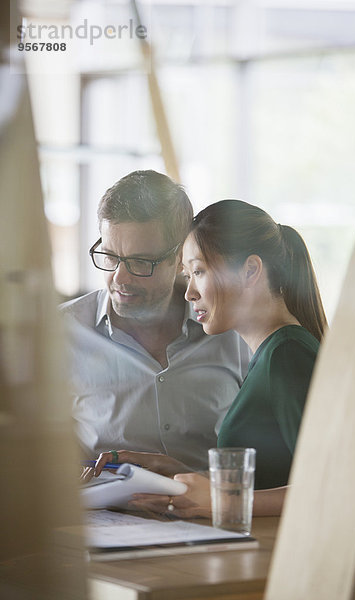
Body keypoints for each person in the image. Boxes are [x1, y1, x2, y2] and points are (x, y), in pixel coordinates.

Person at [93, 199, 327, 517]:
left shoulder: (287, 353)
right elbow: (270, 476)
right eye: (188, 275)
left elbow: (329, 484)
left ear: (250, 271)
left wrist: (221, 500)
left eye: (199, 271)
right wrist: (173, 470)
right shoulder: (270, 352)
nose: (190, 292)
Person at [61, 173, 250, 472]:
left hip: (211, 514)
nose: (120, 279)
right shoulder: (61, 334)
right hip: (105, 515)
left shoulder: (234, 330)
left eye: (140, 262)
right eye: (110, 257)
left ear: (180, 258)